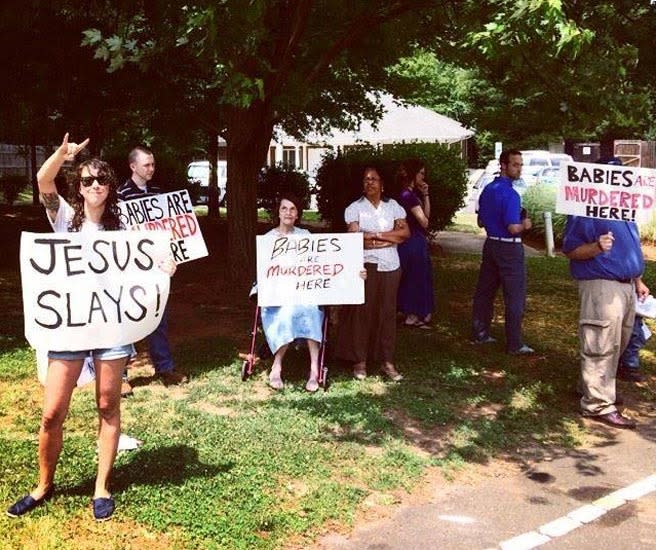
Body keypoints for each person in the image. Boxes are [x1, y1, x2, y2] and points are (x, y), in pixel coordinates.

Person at [6, 134, 175, 521]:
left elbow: (153, 260)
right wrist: (62, 156)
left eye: (101, 179)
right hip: (69, 330)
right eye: (86, 180)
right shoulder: (64, 219)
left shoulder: (125, 228)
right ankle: (43, 485)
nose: (95, 185)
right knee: (52, 413)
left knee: (107, 405)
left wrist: (166, 267)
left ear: (111, 186)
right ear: (78, 188)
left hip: (112, 330)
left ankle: (101, 487)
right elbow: (44, 183)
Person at [562, 156, 648, 429]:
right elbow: (571, 250)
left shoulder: (624, 210)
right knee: (601, 342)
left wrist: (637, 279)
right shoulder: (585, 210)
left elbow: (629, 249)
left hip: (625, 285)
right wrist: (597, 247)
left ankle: (593, 388)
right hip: (601, 284)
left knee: (617, 342)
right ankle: (598, 404)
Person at [117, 146, 187, 392]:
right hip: (132, 268)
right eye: (146, 165)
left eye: (153, 164)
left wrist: (173, 257)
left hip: (157, 268)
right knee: (128, 318)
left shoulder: (158, 192)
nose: (151, 169)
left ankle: (164, 368)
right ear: (133, 166)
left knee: (160, 318)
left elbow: (169, 231)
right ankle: (122, 375)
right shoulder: (121, 195)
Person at [336, 166, 410, 381]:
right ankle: (360, 360)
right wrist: (388, 238)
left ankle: (387, 361)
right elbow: (355, 238)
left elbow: (404, 233)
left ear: (382, 184)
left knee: (387, 313)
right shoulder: (355, 208)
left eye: (374, 179)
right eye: (366, 179)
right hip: (365, 266)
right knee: (363, 313)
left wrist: (375, 235)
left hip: (391, 266)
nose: (370, 182)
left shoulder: (393, 207)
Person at [471, 149, 534, 354]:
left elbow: (480, 220)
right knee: (515, 295)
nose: (519, 168)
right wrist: (525, 224)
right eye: (515, 164)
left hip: (491, 244)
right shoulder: (511, 195)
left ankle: (480, 332)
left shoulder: (488, 189)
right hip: (509, 246)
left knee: (485, 291)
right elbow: (513, 227)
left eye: (520, 164)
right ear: (503, 165)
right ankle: (514, 343)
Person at [260, 194, 325, 392]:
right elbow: (263, 273)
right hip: (279, 294)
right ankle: (277, 365)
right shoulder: (268, 239)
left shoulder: (305, 236)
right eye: (284, 208)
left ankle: (314, 368)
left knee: (312, 310)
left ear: (297, 214)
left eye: (292, 209)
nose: (288, 212)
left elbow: (319, 264)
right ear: (278, 213)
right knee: (285, 312)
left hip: (303, 292)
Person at [396, 159, 434, 329]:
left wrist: (426, 195)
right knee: (415, 276)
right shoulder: (407, 196)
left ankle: (415, 312)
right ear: (414, 174)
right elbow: (424, 221)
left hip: (415, 238)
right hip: (412, 241)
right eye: (421, 173)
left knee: (418, 275)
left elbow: (426, 217)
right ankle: (412, 314)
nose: (423, 177)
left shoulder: (412, 194)